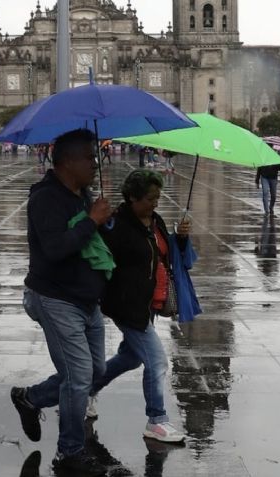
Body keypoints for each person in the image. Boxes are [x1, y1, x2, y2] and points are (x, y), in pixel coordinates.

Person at [11, 129, 111, 476]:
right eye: (89, 157)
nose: (95, 164)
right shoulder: (45, 198)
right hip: (55, 297)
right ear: (68, 161)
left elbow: (89, 238)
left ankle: (31, 398)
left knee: (95, 372)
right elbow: (54, 249)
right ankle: (69, 451)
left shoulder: (83, 194)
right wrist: (92, 221)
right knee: (79, 376)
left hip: (86, 299)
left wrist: (103, 221)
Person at [89, 169, 188, 444]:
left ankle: (85, 390)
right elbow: (100, 258)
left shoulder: (154, 220)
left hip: (149, 301)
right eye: (150, 198)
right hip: (127, 304)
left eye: (158, 197)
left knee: (131, 357)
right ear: (132, 197)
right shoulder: (116, 224)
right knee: (156, 362)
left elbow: (163, 253)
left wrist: (179, 238)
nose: (156, 202)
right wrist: (97, 223)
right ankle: (156, 420)